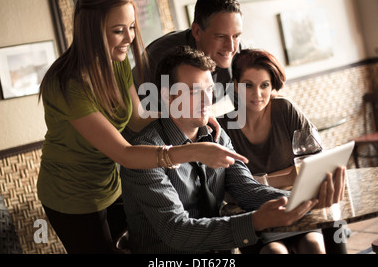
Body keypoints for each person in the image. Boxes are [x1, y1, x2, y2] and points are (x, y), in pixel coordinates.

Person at [36, 0, 247, 254]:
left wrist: (192, 111)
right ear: (91, 30)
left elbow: (137, 118)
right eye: (117, 30)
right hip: (71, 195)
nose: (129, 38)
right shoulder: (67, 84)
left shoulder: (117, 60)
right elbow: (124, 153)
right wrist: (194, 151)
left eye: (132, 27)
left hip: (111, 182)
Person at [120, 46, 345, 253]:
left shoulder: (216, 134)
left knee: (329, 237)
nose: (206, 100)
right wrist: (256, 221)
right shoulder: (146, 154)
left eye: (209, 89)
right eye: (194, 91)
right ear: (168, 97)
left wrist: (305, 201)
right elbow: (177, 231)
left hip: (219, 252)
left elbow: (246, 189)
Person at [219, 48, 328, 254]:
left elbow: (315, 167)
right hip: (254, 217)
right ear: (235, 85)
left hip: (295, 206)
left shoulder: (286, 110)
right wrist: (288, 175)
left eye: (265, 85)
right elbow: (229, 190)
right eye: (248, 85)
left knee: (314, 246)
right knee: (276, 253)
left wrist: (257, 181)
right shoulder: (223, 126)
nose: (257, 94)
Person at [132, 0, 243, 106]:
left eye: (236, 36)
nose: (230, 47)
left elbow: (245, 109)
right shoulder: (160, 57)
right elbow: (145, 116)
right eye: (220, 36)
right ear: (197, 32)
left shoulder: (239, 54)